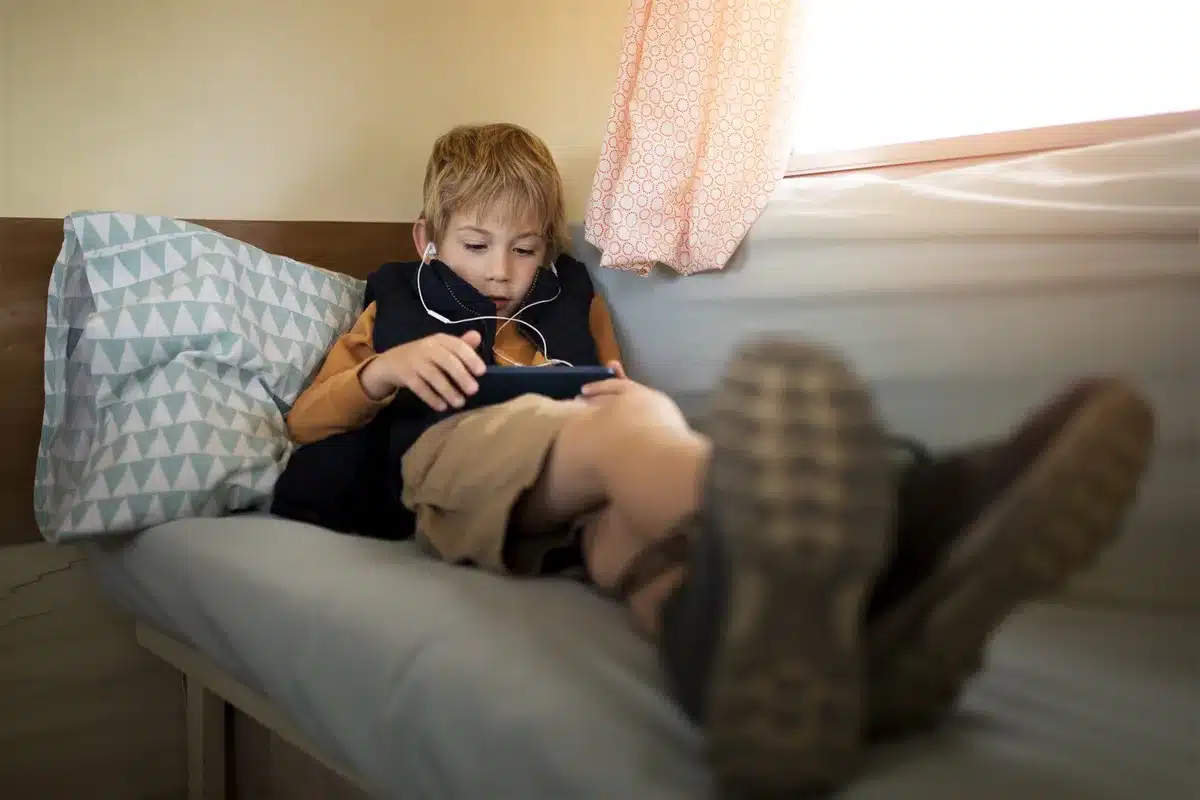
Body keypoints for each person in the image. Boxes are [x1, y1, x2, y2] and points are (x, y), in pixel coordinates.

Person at [271, 123, 1157, 795]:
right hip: (457, 455)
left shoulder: (567, 298)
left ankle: (781, 672)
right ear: (428, 237)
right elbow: (311, 423)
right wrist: (386, 369)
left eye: (527, 247)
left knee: (648, 551)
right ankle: (897, 530)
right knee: (633, 438)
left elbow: (606, 376)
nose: (501, 272)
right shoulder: (394, 302)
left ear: (549, 245)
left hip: (575, 484)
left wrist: (615, 391)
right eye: (475, 246)